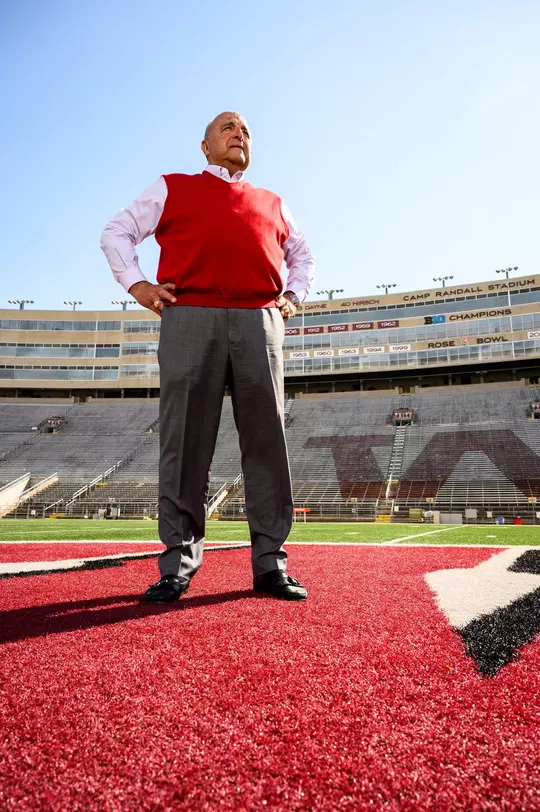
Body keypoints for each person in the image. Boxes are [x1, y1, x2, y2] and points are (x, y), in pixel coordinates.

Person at [101, 112, 315, 603]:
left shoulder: (273, 202)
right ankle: (177, 564)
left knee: (267, 444)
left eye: (246, 131)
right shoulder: (173, 187)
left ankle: (270, 565)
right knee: (184, 443)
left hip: (259, 320)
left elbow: (304, 255)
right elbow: (116, 232)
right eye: (228, 128)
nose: (239, 134)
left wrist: (293, 296)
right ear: (204, 146)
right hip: (189, 315)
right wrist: (137, 284)